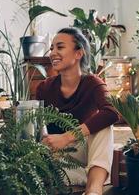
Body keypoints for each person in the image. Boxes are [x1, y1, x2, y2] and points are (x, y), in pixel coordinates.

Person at [36, 27, 119, 195]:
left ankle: (93, 190)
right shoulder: (44, 88)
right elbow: (38, 125)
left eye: (60, 47)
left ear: (78, 53)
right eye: (52, 48)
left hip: (83, 153)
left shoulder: (93, 83)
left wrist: (67, 137)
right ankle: (83, 177)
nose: (52, 53)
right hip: (59, 159)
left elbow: (112, 112)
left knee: (104, 127)